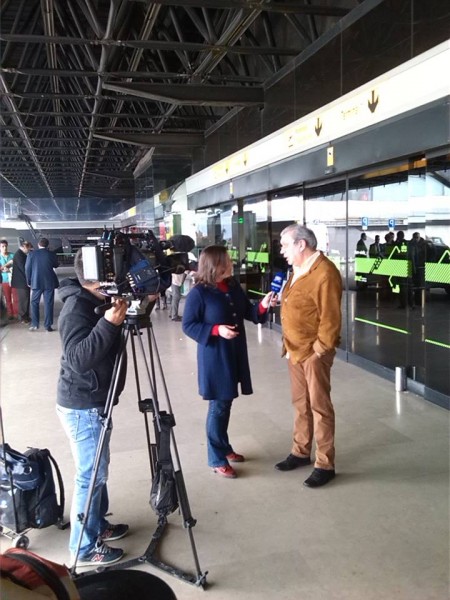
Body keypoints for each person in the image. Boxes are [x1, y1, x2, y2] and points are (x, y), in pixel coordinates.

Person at [56, 249, 130, 566]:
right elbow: (78, 358)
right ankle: (83, 547)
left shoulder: (94, 301)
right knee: (90, 475)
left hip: (95, 400)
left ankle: (98, 525)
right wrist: (109, 324)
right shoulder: (76, 307)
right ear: (98, 276)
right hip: (82, 403)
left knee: (98, 471)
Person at [182, 245, 277, 479]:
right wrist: (216, 330)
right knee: (218, 405)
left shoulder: (232, 285)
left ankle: (223, 448)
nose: (231, 263)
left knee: (225, 403)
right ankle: (216, 458)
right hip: (215, 357)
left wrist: (264, 305)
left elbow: (250, 313)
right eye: (226, 260)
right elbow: (189, 325)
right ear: (214, 265)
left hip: (234, 353)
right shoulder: (199, 293)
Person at [275, 224, 342, 488]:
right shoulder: (298, 270)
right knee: (300, 403)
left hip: (313, 353)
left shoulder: (325, 273)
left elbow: (331, 318)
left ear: (301, 244)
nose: (282, 251)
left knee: (319, 407)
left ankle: (325, 463)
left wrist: (318, 351)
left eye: (285, 245)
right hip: (294, 349)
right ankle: (301, 451)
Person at [25, 237, 59, 331]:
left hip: (36, 282)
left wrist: (29, 281)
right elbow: (56, 265)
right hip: (49, 282)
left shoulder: (31, 254)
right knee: (48, 303)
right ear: (47, 245)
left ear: (38, 245)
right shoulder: (51, 254)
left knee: (34, 302)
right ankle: (48, 325)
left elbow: (27, 269)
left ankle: (35, 324)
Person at [11, 241, 33, 323]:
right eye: (29, 248)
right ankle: (23, 317)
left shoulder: (21, 254)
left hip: (23, 281)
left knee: (26, 299)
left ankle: (26, 316)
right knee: (23, 300)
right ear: (25, 246)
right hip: (21, 282)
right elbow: (24, 268)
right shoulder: (19, 255)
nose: (29, 250)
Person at [0, 239, 17, 320]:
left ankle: (16, 313)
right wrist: (6, 266)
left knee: (15, 297)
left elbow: (17, 265)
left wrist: (10, 269)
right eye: (2, 246)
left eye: (6, 246)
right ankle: (10, 313)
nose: (5, 248)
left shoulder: (12, 255)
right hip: (4, 280)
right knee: (7, 298)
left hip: (13, 279)